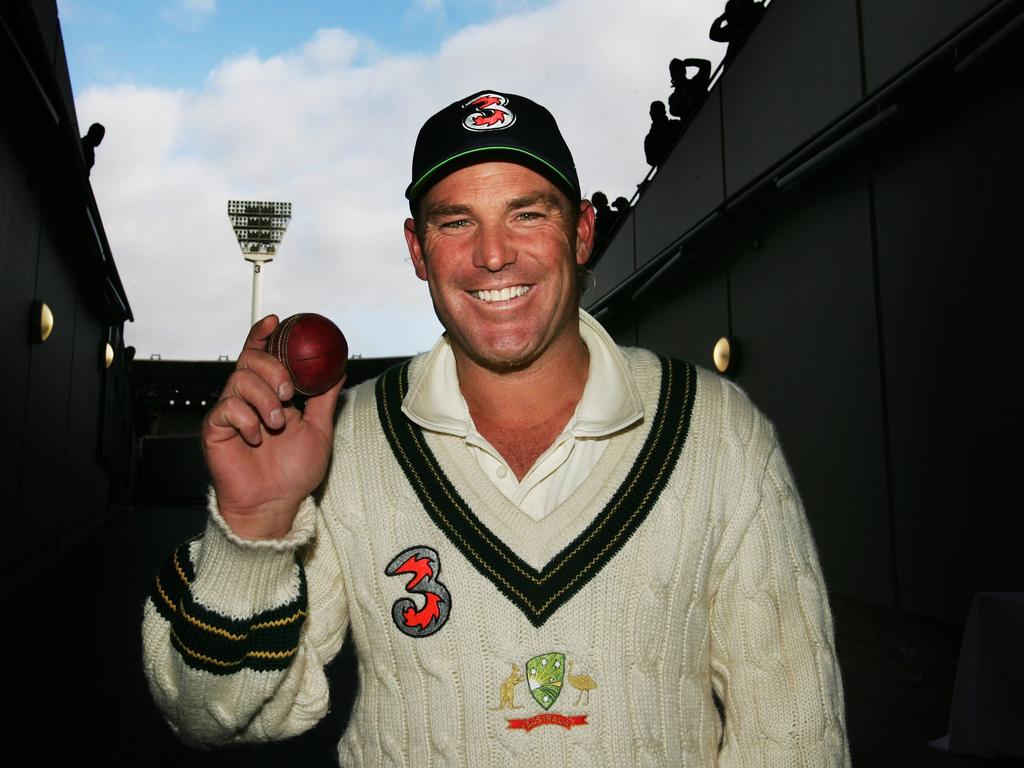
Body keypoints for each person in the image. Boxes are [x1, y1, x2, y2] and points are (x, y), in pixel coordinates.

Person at [143, 89, 850, 766]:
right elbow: (214, 717)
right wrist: (256, 530)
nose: (492, 255)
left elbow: (792, 738)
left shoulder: (717, 431)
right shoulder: (347, 444)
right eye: (456, 222)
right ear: (418, 251)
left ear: (581, 232)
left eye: (526, 215)